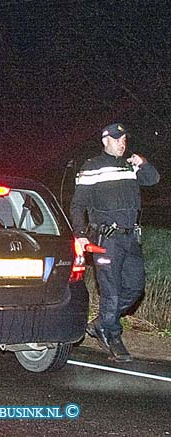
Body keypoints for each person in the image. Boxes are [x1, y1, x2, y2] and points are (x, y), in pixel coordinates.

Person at [70, 123, 160, 362]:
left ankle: (102, 322)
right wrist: (80, 234)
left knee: (135, 288)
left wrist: (143, 163)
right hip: (106, 239)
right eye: (118, 139)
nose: (123, 143)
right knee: (112, 292)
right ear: (105, 140)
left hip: (131, 238)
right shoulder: (92, 167)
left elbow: (153, 180)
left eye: (124, 139)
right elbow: (78, 205)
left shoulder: (129, 165)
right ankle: (113, 336)